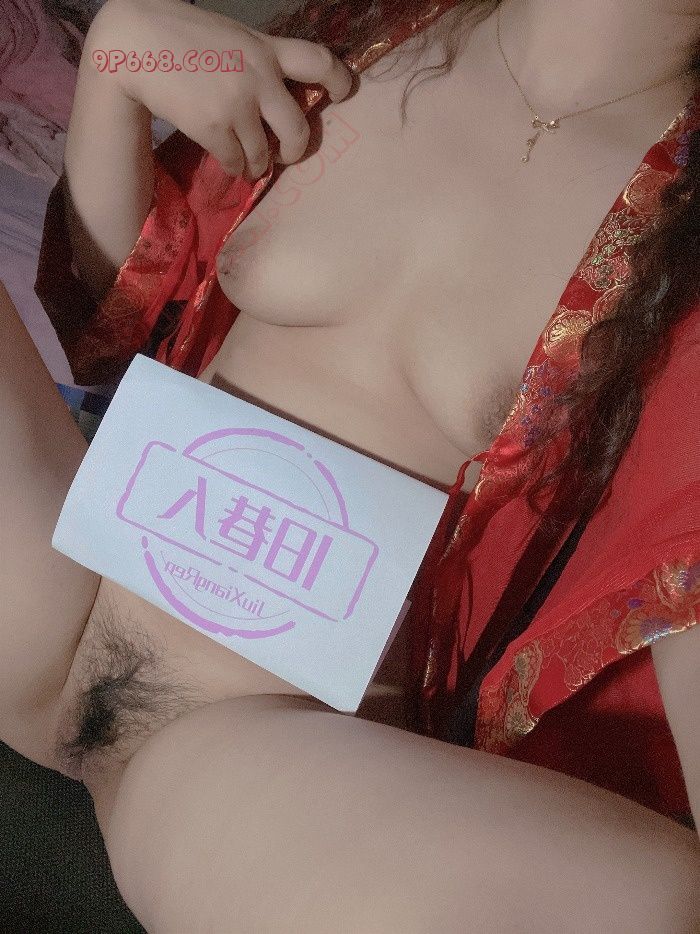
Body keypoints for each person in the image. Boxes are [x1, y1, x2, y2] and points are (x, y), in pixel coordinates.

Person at [0, 0, 696, 928]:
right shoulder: (368, 42)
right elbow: (122, 320)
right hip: (58, 578)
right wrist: (113, 68)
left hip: (258, 754)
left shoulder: (678, 240)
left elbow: (675, 561)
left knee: (650, 903)